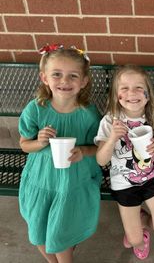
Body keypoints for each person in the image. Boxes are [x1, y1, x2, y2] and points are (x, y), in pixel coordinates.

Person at [18, 44, 102, 263]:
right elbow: (24, 144)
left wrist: (83, 151)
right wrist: (39, 141)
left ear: (83, 81)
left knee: (61, 234)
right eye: (57, 74)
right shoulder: (36, 109)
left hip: (72, 182)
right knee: (39, 231)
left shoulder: (90, 114)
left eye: (72, 76)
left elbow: (100, 149)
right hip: (42, 179)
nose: (64, 81)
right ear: (44, 77)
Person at [95, 64, 154, 260]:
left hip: (153, 176)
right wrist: (112, 138)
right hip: (124, 183)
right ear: (116, 95)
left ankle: (141, 217)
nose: (132, 93)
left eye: (139, 87)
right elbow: (101, 160)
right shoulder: (109, 121)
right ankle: (140, 224)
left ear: (147, 94)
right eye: (125, 88)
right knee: (135, 240)